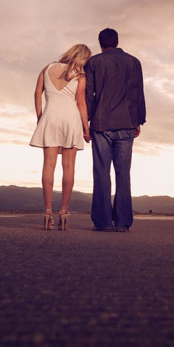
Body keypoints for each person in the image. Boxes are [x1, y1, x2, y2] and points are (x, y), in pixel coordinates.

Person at [84, 28, 146, 232]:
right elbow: (138, 93)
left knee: (101, 172)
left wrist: (87, 121)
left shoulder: (93, 63)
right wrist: (139, 120)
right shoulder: (134, 62)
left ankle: (102, 223)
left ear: (100, 43)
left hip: (101, 124)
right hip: (127, 123)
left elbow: (88, 96)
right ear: (117, 42)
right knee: (123, 173)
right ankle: (122, 223)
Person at [30, 44, 92, 230]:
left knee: (48, 165)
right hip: (70, 119)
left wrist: (40, 117)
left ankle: (47, 211)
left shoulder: (47, 68)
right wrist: (86, 128)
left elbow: (37, 94)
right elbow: (81, 103)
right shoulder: (80, 76)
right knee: (69, 166)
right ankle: (63, 212)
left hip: (50, 116)